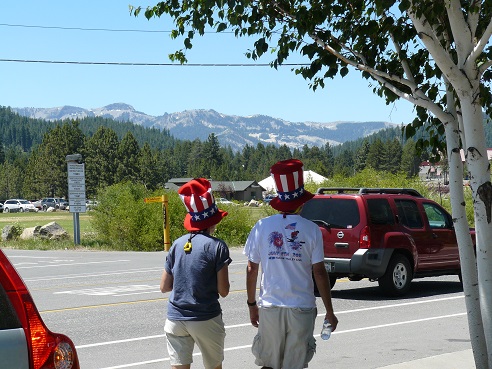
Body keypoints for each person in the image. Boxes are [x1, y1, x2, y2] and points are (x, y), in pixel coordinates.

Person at [244, 159, 338, 369]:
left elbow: (252, 268)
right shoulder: (312, 230)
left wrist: (252, 305)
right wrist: (329, 311)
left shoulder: (261, 227)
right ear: (302, 202)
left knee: (269, 364)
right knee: (295, 365)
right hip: (301, 307)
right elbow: (320, 273)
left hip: (270, 306)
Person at [161, 178, 232, 369]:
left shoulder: (176, 244)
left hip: (175, 318)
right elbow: (223, 291)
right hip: (205, 317)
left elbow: (164, 287)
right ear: (213, 222)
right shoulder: (218, 246)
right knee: (213, 366)